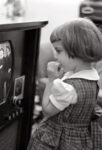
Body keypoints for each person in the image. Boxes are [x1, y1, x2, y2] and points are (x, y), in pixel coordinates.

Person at [27, 18, 102, 150]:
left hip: (57, 141)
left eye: (58, 51)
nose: (55, 56)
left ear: (78, 49)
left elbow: (47, 111)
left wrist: (51, 80)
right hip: (81, 140)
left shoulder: (68, 88)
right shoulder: (93, 76)